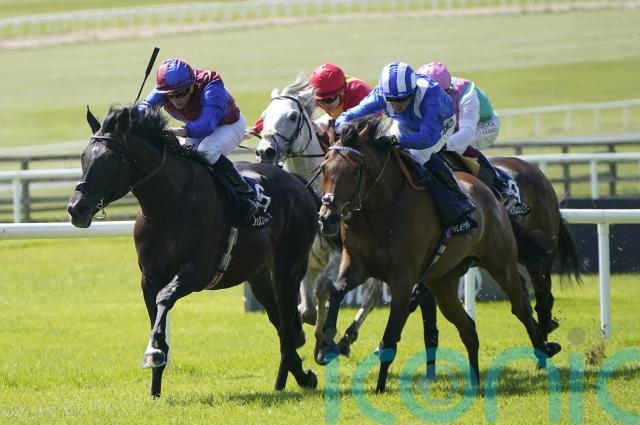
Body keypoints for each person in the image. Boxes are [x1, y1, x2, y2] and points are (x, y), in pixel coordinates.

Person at [335, 62, 476, 235]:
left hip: (439, 125)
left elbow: (427, 137)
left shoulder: (431, 97)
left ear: (413, 91)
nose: (396, 105)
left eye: (401, 99)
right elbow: (348, 115)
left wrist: (397, 140)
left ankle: (458, 207)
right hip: (405, 123)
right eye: (391, 100)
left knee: (417, 155)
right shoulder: (381, 94)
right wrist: (342, 126)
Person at [137, 58, 266, 225]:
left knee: (207, 151)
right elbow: (144, 107)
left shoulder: (211, 86)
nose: (176, 100)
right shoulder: (166, 89)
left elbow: (207, 124)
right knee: (184, 159)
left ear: (192, 86)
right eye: (170, 95)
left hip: (229, 125)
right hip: (196, 127)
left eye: (181, 93)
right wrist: (128, 117)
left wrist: (175, 131)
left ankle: (247, 195)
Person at [418, 62, 529, 215]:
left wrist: (443, 144)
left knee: (457, 146)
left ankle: (502, 187)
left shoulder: (467, 93)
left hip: (483, 125)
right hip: (454, 124)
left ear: (448, 90)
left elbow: (467, 133)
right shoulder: (419, 93)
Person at [246, 64, 372, 139]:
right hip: (338, 115)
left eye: (329, 100)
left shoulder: (360, 94)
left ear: (342, 92)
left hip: (367, 122)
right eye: (319, 101)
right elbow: (285, 110)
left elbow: (354, 136)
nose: (324, 105)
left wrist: (325, 134)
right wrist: (257, 128)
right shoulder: (317, 94)